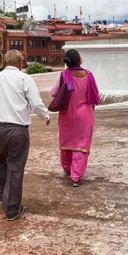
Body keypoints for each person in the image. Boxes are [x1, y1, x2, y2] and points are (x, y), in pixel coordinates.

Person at [0, 49, 50, 221]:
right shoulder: (25, 79)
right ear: (20, 62)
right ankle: (12, 208)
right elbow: (36, 102)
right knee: (15, 167)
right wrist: (45, 116)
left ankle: (3, 196)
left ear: (5, 62)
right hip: (18, 130)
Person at [50, 49, 100, 187]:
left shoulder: (63, 75)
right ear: (79, 60)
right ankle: (76, 176)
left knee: (67, 143)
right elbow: (95, 93)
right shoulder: (88, 75)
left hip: (67, 115)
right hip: (85, 115)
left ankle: (67, 168)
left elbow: (53, 92)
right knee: (81, 145)